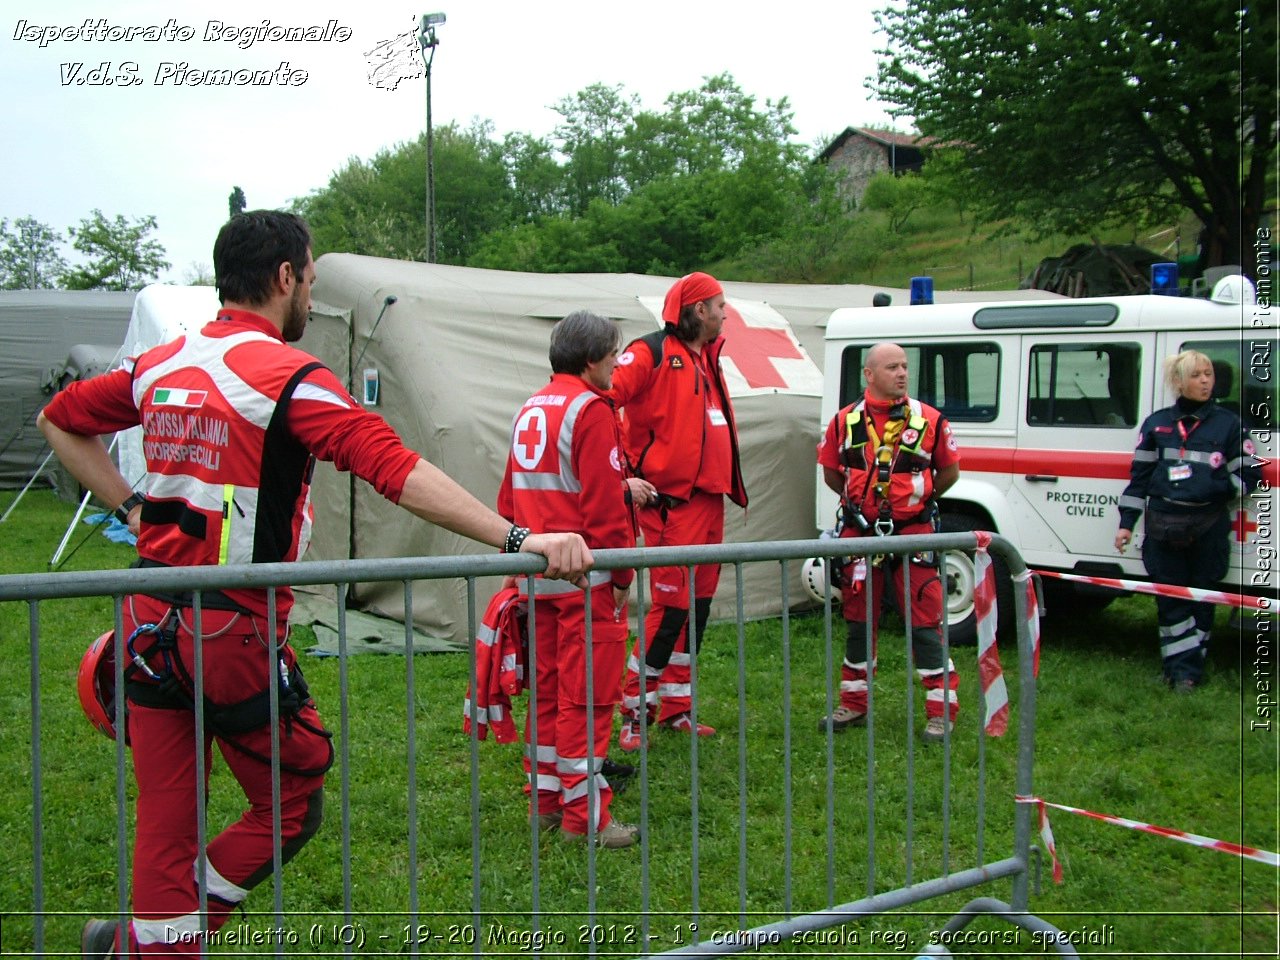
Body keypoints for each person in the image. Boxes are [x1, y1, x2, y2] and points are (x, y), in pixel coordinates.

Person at [39, 210, 592, 959]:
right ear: (284, 277)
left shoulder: (160, 364)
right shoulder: (286, 377)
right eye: (310, 279)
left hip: (147, 621)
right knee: (293, 797)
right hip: (229, 628)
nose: (311, 295)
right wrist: (522, 538)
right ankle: (163, 942)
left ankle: (150, 947)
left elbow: (61, 419)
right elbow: (396, 469)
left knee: (168, 822)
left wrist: (132, 508)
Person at [497, 310, 656, 848]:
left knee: (545, 694)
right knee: (588, 700)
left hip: (534, 574)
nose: (618, 364)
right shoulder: (590, 409)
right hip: (586, 581)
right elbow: (602, 508)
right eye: (613, 354)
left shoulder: (531, 406)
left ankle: (544, 805)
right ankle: (586, 819)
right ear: (591, 360)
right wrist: (621, 574)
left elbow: (508, 499)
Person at [609, 272, 748, 751]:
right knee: (670, 610)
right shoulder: (648, 352)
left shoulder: (706, 357)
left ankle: (676, 707)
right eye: (719, 304)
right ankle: (633, 712)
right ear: (697, 310)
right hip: (673, 509)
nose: (725, 313)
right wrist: (622, 474)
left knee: (697, 611)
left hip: (710, 503)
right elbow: (602, 400)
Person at [815, 342, 961, 743]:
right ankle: (854, 702)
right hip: (859, 536)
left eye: (904, 367)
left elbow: (948, 474)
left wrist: (912, 504)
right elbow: (833, 474)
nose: (901, 373)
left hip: (913, 534)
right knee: (859, 621)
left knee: (925, 621)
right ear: (869, 374)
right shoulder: (844, 421)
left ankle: (940, 708)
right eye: (892, 367)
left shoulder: (929, 420)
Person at [1115, 350, 1260, 692]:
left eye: (1209, 374)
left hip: (1208, 524)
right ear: (1178, 382)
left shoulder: (1230, 424)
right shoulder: (1156, 424)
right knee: (1170, 600)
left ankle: (1185, 670)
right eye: (1197, 375)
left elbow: (1249, 475)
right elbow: (1139, 478)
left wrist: (1213, 489)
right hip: (1164, 524)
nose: (1206, 381)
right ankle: (1183, 673)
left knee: (1204, 600)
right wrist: (1126, 523)